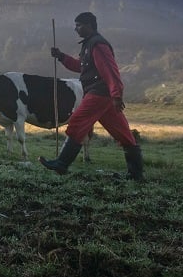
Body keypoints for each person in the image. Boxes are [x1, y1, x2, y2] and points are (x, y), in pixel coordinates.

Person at [39, 11, 144, 181]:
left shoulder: (98, 45)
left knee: (77, 121)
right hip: (104, 96)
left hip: (99, 93)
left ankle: (61, 164)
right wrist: (61, 57)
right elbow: (81, 66)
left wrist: (117, 95)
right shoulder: (89, 44)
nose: (76, 29)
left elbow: (110, 71)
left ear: (89, 25)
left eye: (79, 25)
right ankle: (136, 174)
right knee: (123, 133)